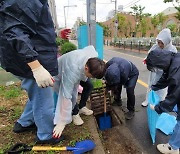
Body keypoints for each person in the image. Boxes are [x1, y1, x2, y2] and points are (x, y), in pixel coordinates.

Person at [0, 0, 62, 144]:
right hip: (31, 58)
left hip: (26, 56)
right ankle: (45, 136)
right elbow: (15, 31)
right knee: (43, 100)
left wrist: (56, 34)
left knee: (36, 94)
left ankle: (24, 123)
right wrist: (36, 67)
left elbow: (33, 26)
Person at [53, 45, 106, 138]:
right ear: (86, 68)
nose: (92, 78)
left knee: (89, 85)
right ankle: (74, 113)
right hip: (60, 72)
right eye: (92, 76)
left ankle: (81, 107)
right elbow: (66, 95)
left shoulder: (92, 58)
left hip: (78, 69)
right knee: (72, 95)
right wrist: (62, 121)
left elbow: (90, 48)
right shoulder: (72, 70)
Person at [146, 50, 180, 154]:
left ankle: (173, 148)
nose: (158, 69)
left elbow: (173, 96)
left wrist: (158, 108)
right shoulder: (173, 60)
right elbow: (165, 78)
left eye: (157, 67)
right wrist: (154, 87)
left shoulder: (176, 69)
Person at [141, 28, 177, 107]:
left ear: (167, 41)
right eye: (158, 42)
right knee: (151, 85)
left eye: (162, 43)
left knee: (162, 89)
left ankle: (160, 103)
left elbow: (174, 63)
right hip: (154, 71)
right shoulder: (155, 46)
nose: (160, 45)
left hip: (164, 73)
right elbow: (149, 55)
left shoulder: (172, 49)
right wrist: (146, 59)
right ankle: (148, 100)